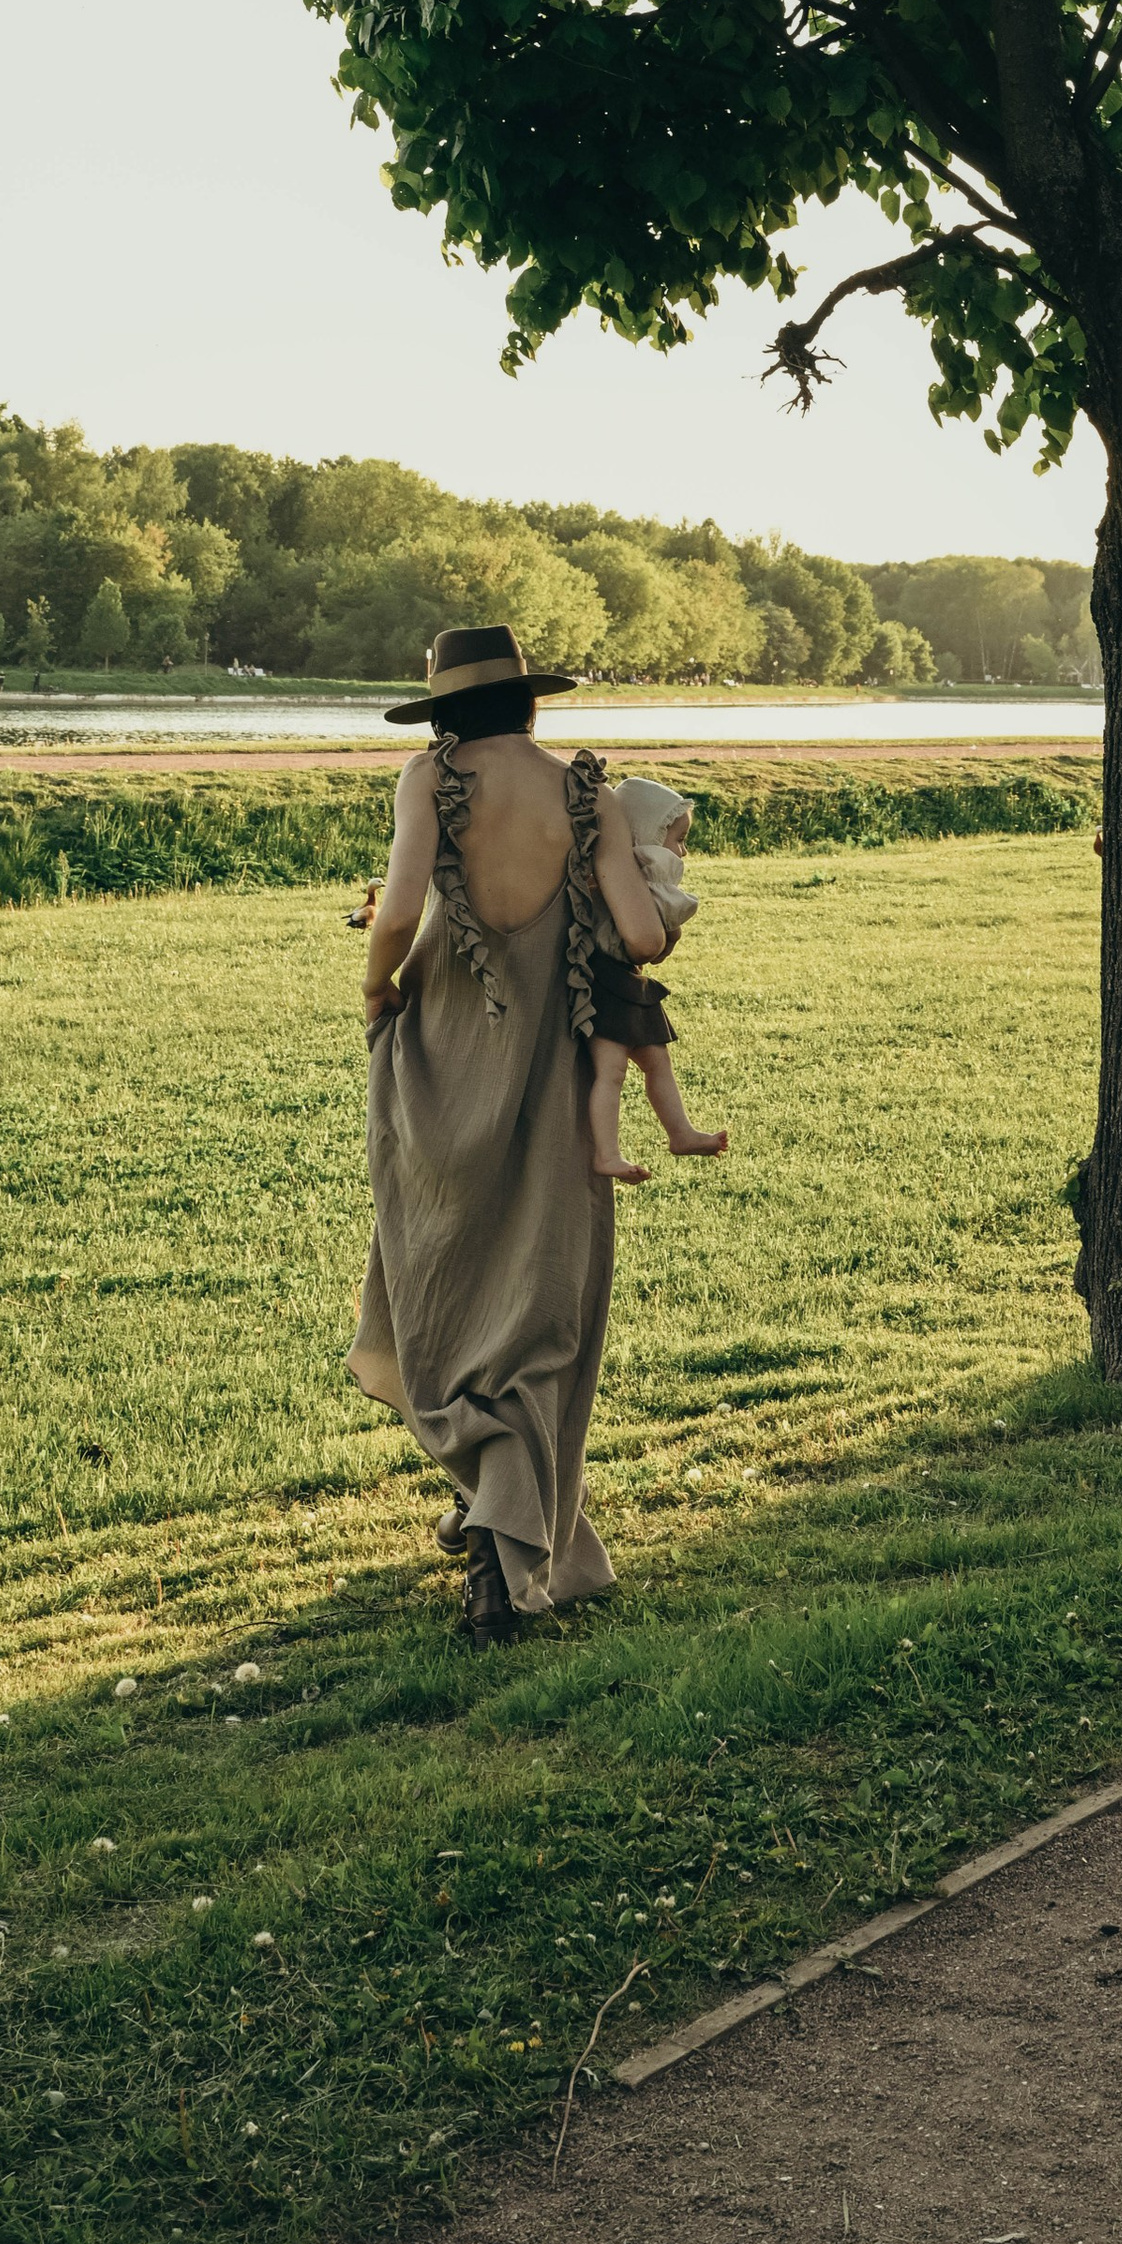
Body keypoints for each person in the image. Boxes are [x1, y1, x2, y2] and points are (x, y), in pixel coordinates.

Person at [347, 622, 669, 1649]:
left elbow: (398, 910)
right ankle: (508, 1532)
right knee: (537, 1299)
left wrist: (374, 986)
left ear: (441, 708)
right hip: (560, 1065)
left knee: (432, 1273)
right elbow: (636, 934)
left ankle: (496, 1526)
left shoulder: (428, 780)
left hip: (442, 1051)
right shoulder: (588, 794)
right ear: (530, 700)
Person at [587, 776, 729, 1183]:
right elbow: (665, 925)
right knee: (610, 1070)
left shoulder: (629, 873)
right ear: (645, 834)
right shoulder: (632, 871)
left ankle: (680, 1132)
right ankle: (607, 1153)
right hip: (603, 982)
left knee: (657, 1063)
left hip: (629, 982)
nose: (681, 851)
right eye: (678, 839)